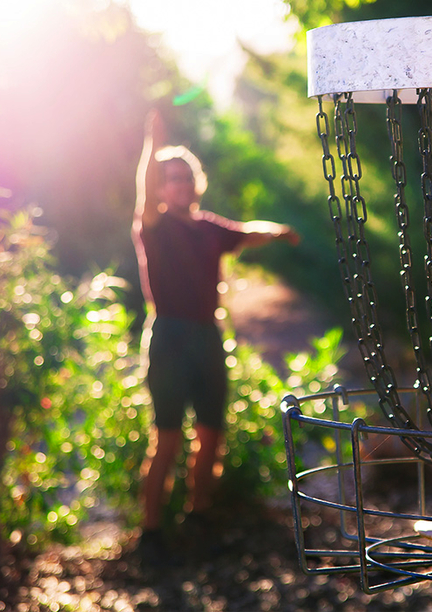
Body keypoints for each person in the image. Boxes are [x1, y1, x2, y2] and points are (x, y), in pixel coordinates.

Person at [132, 109, 299, 564]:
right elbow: (143, 189)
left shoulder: (209, 228)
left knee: (210, 433)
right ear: (161, 188)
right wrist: (154, 141)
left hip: (208, 338)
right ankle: (151, 532)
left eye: (186, 177)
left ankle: (198, 515)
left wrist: (280, 232)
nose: (179, 185)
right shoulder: (153, 226)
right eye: (171, 179)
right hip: (169, 338)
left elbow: (247, 233)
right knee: (167, 438)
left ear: (196, 183)